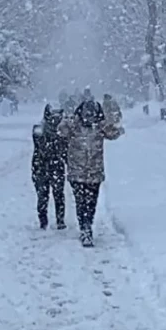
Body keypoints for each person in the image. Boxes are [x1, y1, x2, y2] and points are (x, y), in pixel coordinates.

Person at [58, 97, 123, 247]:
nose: (89, 117)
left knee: (91, 202)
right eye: (87, 113)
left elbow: (114, 133)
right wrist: (67, 120)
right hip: (77, 172)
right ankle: (85, 228)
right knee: (81, 202)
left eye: (92, 114)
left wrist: (110, 123)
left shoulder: (100, 127)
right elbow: (61, 131)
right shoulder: (74, 126)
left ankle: (87, 224)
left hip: (94, 172)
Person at [32, 105, 67, 229]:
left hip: (52, 165)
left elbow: (65, 150)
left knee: (56, 194)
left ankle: (59, 220)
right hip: (42, 165)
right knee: (44, 195)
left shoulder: (62, 132)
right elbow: (40, 146)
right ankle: (44, 221)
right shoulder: (39, 130)